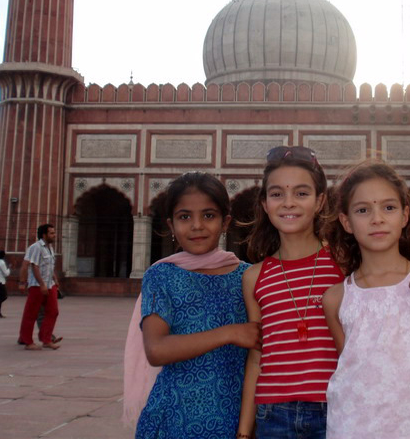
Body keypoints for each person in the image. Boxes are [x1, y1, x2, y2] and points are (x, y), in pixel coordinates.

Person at [322, 160, 410, 439]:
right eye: (363, 210)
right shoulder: (336, 298)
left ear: (405, 215)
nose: (377, 219)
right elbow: (350, 367)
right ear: (346, 222)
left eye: (389, 207)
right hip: (352, 426)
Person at [128, 172, 259, 439]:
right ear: (171, 225)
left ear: (226, 222)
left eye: (209, 215)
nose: (197, 225)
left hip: (232, 418)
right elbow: (156, 349)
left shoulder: (247, 277)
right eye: (184, 216)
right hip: (172, 418)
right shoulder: (162, 276)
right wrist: (230, 333)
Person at [237, 146, 344, 439]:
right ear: (264, 203)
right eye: (276, 194)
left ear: (320, 201)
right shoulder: (255, 277)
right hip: (273, 415)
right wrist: (245, 432)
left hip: (335, 408)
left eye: (301, 193)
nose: (288, 203)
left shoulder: (342, 265)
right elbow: (257, 357)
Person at [18, 223, 60, 351]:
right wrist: (40, 284)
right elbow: (34, 266)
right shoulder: (36, 247)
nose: (54, 235)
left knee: (53, 312)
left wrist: (55, 278)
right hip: (37, 285)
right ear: (44, 235)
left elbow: (48, 266)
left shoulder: (50, 248)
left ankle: (46, 339)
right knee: (31, 313)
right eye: (52, 233)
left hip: (49, 284)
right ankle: (27, 341)